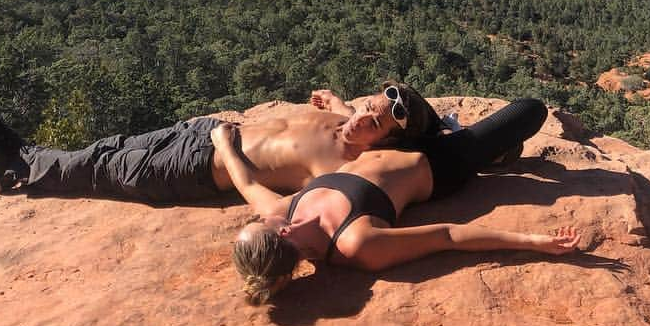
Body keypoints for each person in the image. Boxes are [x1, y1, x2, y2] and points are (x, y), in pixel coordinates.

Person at [214, 97, 581, 305]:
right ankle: (483, 150)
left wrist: (222, 143)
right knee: (530, 110)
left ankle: (473, 141)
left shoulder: (281, 214)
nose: (259, 217)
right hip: (441, 164)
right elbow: (448, 237)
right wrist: (535, 243)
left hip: (389, 144)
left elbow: (246, 183)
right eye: (258, 224)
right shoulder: (356, 244)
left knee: (395, 96)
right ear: (284, 236)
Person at [0, 82, 444, 204]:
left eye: (376, 123)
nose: (363, 117)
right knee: (107, 147)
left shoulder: (343, 167)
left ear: (386, 142)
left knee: (104, 172)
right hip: (203, 130)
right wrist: (337, 99)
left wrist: (227, 148)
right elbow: (347, 108)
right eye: (370, 106)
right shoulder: (343, 116)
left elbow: (272, 195)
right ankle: (26, 155)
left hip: (198, 167)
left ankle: (18, 167)